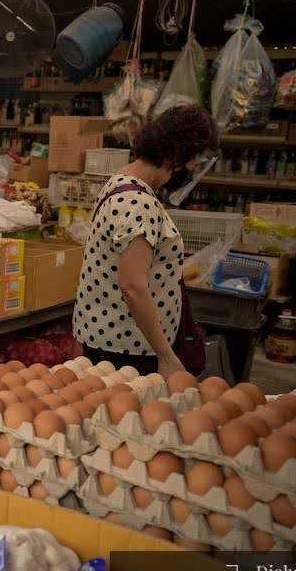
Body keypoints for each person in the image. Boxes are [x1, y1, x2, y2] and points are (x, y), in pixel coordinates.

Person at [73, 104, 219, 377]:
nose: (192, 170)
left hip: (113, 339)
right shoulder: (138, 203)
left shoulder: (120, 181)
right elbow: (132, 286)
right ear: (175, 154)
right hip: (129, 351)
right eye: (193, 162)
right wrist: (165, 355)